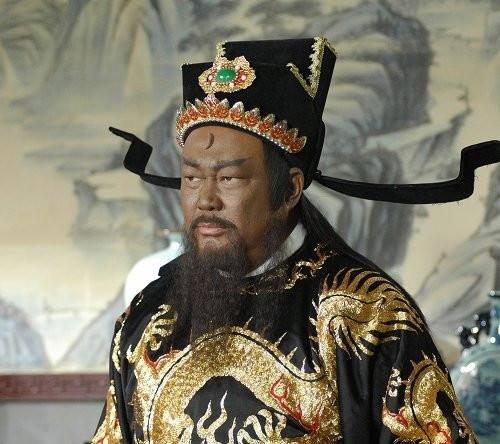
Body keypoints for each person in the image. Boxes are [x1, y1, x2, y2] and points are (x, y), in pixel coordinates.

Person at [92, 37, 500, 443]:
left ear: (289, 189)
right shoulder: (148, 315)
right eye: (192, 178)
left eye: (229, 178)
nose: (205, 200)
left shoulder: (365, 316)